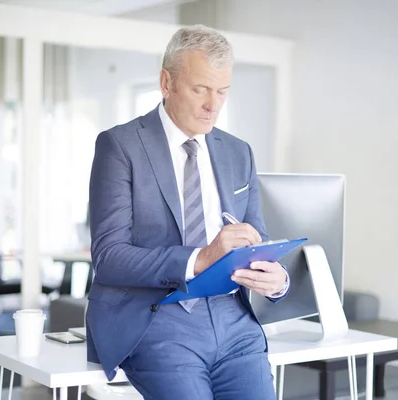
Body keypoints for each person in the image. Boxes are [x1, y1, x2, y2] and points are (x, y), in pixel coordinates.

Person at [86, 24, 289, 400]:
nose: (214, 105)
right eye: (200, 89)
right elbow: (109, 257)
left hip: (235, 322)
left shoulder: (238, 152)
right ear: (167, 83)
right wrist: (201, 258)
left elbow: (257, 237)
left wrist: (276, 279)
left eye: (223, 91)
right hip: (158, 318)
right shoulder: (120, 146)